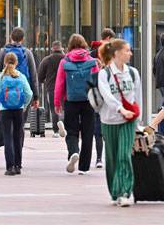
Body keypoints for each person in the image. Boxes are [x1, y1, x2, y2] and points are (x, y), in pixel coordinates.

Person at [95, 39, 141, 207]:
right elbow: (107, 96)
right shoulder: (104, 74)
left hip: (128, 121)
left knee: (124, 155)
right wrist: (121, 109)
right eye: (127, 50)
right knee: (112, 157)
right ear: (116, 54)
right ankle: (115, 192)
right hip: (109, 120)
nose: (130, 53)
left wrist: (138, 121)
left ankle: (124, 192)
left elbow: (138, 97)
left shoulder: (133, 73)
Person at [54, 34, 99, 175]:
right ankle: (84, 168)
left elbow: (60, 83)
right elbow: (97, 83)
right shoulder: (92, 61)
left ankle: (74, 151)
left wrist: (57, 102)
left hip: (71, 100)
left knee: (71, 131)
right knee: (88, 133)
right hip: (88, 101)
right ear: (84, 44)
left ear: (70, 45)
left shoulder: (65, 61)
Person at [0, 52, 33, 176]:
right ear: (16, 63)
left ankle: (10, 167)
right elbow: (29, 93)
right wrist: (24, 105)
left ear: (4, 62)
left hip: (4, 110)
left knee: (7, 137)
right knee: (17, 137)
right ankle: (18, 166)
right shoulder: (21, 76)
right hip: (18, 110)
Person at [90, 28, 116, 169]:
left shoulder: (91, 53)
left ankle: (99, 158)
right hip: (107, 99)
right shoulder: (113, 55)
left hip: (98, 99)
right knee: (107, 130)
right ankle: (105, 157)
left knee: (99, 131)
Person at [0, 27, 39, 105]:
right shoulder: (27, 53)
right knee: (21, 116)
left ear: (10, 37)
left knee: (6, 116)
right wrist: (36, 97)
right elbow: (33, 76)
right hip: (22, 92)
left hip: (6, 93)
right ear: (23, 39)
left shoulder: (3, 52)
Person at [37, 41, 66, 138]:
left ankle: (56, 130)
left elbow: (40, 76)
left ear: (52, 49)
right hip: (65, 87)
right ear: (61, 48)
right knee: (66, 107)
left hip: (52, 88)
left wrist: (43, 80)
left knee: (54, 109)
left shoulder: (46, 60)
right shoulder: (66, 59)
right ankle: (65, 126)